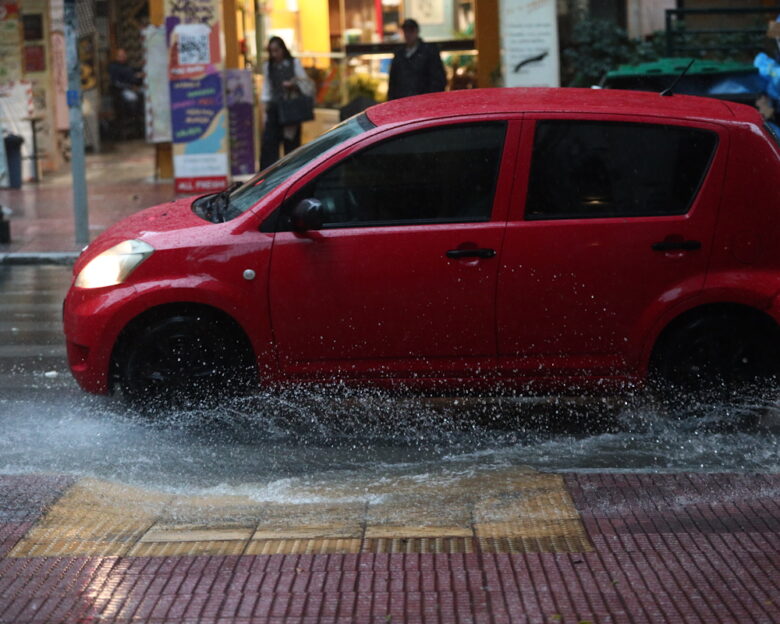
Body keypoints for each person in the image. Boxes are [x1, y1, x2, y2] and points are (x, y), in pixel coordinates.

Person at [260, 36, 314, 169]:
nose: (274, 54)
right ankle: (270, 175)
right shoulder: (268, 66)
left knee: (291, 145)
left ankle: (291, 173)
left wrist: (293, 85)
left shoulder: (293, 63)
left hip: (291, 109)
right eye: (271, 51)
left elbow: (305, 83)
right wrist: (264, 112)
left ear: (283, 49)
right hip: (274, 109)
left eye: (277, 50)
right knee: (270, 144)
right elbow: (266, 89)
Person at [387, 18, 446, 101]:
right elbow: (393, 81)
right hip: (402, 102)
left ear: (417, 31)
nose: (408, 34)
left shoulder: (429, 51)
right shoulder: (399, 53)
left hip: (423, 102)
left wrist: (432, 100)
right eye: (406, 31)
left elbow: (438, 80)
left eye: (411, 31)